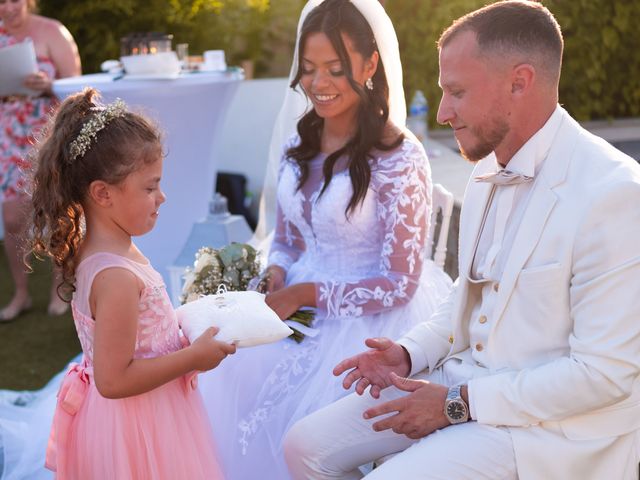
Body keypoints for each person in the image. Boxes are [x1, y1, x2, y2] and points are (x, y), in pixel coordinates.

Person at [284, 1, 640, 479]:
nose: (443, 111)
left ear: (519, 82)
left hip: (548, 431)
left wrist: (457, 404)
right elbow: (464, 298)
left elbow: (604, 375)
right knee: (303, 446)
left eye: (456, 92)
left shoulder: (614, 194)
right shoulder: (487, 169)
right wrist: (408, 353)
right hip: (462, 383)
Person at [197, 1, 452, 479]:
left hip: (373, 317)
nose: (318, 84)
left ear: (370, 65)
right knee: (231, 376)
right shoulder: (299, 146)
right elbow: (288, 240)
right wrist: (275, 272)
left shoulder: (399, 157)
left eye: (335, 69)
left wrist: (303, 293)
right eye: (309, 69)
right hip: (296, 305)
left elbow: (399, 282)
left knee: (304, 419)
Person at [26, 88, 236, 478]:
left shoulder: (110, 252)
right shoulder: (116, 276)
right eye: (150, 187)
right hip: (139, 427)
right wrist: (193, 358)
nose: (162, 197)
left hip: (134, 416)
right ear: (102, 193)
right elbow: (113, 378)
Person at [0, 0, 81, 321]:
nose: (8, 7)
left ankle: (60, 285)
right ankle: (20, 293)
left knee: (58, 214)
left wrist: (48, 86)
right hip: (7, 141)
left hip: (48, 138)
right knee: (12, 220)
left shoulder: (52, 31)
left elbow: (77, 88)